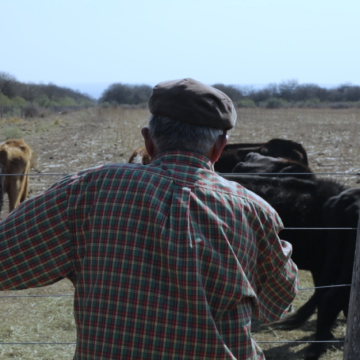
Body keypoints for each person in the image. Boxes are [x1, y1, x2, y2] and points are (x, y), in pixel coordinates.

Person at [0, 78, 298, 359]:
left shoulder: (89, 190)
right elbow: (277, 303)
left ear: (149, 141)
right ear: (220, 147)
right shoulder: (253, 211)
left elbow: (6, 262)